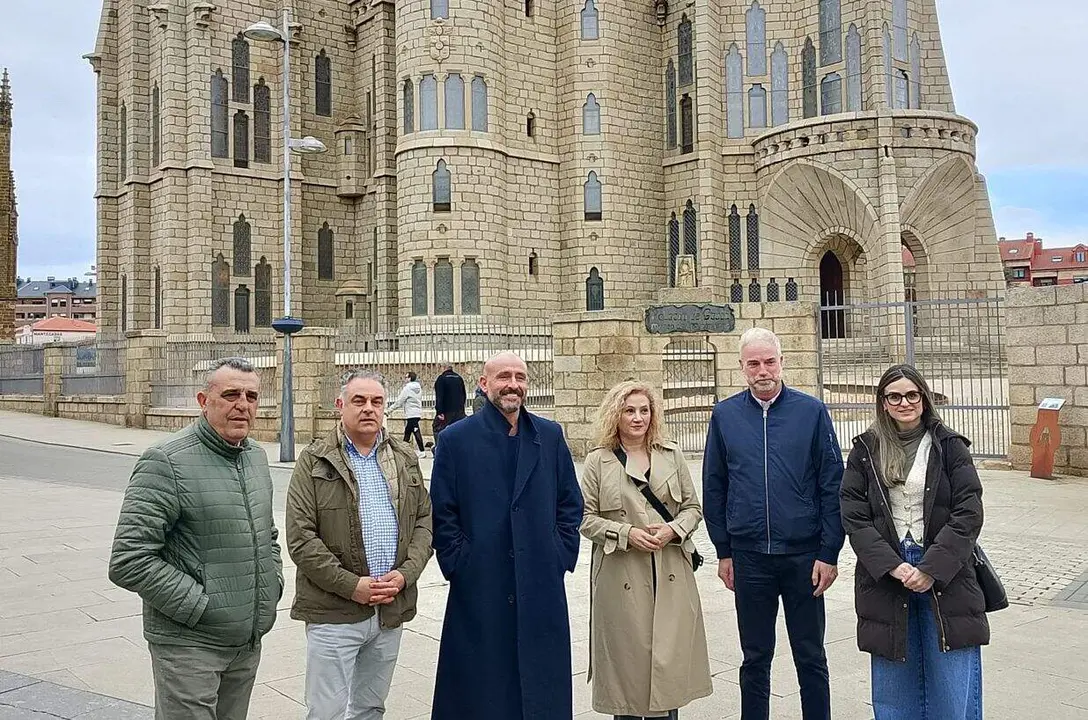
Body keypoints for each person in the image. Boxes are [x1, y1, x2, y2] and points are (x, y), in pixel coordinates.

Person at [108, 357, 282, 720]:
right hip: (190, 645)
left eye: (251, 396)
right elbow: (129, 558)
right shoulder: (166, 460)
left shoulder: (255, 457)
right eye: (231, 394)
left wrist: (271, 586)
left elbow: (266, 534)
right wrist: (202, 606)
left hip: (246, 642)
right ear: (204, 401)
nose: (243, 405)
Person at [429, 351, 584, 720]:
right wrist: (460, 562)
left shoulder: (549, 435)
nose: (512, 384)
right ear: (484, 385)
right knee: (481, 691)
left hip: (540, 582)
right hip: (481, 583)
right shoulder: (456, 439)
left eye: (520, 377)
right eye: (503, 377)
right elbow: (442, 511)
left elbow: (570, 502)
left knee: (539, 689)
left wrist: (558, 554)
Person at [702, 327, 844, 720]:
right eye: (753, 363)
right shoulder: (725, 415)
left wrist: (829, 551)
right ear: (742, 368)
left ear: (781, 363)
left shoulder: (811, 412)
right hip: (749, 559)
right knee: (755, 656)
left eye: (769, 361)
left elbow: (832, 483)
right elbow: (714, 485)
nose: (762, 370)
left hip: (804, 557)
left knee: (811, 656)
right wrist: (723, 551)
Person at [840, 364, 987, 720]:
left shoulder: (950, 446)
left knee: (950, 667)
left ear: (923, 398)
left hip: (944, 566)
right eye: (894, 396)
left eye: (911, 394)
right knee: (895, 670)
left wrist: (933, 568)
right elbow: (853, 514)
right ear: (883, 403)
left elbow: (968, 512)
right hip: (889, 568)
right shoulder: (866, 448)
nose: (904, 403)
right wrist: (891, 564)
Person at [286, 369, 433, 720]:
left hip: (389, 608)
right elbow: (301, 538)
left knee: (370, 708)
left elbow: (425, 523)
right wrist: (353, 586)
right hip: (335, 611)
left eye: (376, 401)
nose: (369, 408)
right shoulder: (315, 460)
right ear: (341, 405)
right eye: (359, 401)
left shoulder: (404, 457)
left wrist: (405, 575)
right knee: (327, 712)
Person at [580, 381, 712, 720]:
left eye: (644, 410)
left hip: (669, 572)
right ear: (615, 415)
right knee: (627, 673)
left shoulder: (672, 454)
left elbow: (693, 509)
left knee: (667, 669)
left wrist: (673, 529)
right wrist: (626, 533)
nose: (638, 418)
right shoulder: (598, 461)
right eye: (629, 410)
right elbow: (584, 519)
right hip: (621, 575)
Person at [389, 370, 425, 457]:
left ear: (409, 378)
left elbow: (400, 401)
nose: (405, 379)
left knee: (416, 430)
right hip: (417, 412)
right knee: (407, 432)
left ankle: (422, 450)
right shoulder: (418, 387)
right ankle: (404, 450)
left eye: (406, 377)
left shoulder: (407, 388)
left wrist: (390, 410)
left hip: (411, 413)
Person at [433, 363, 466, 440]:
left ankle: (439, 449)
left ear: (443, 367)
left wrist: (439, 412)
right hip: (459, 411)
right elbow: (464, 394)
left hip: (447, 411)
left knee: (437, 428)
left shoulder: (441, 378)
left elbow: (439, 396)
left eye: (439, 367)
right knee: (457, 430)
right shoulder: (459, 378)